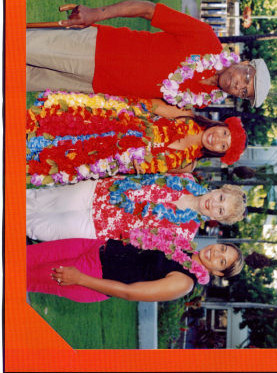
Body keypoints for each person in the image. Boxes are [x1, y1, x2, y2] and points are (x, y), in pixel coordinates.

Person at [26, 0, 271, 108]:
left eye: (243, 92)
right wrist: (96, 13)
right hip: (95, 49)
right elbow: (147, 10)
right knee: (21, 45)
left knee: (20, 79)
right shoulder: (206, 39)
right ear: (245, 63)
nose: (239, 85)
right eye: (246, 79)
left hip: (93, 85)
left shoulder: (202, 98)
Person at [26, 91, 247, 186]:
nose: (217, 139)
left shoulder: (187, 166)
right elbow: (144, 105)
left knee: (52, 161)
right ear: (221, 125)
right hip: (109, 126)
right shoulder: (186, 115)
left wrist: (134, 166)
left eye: (223, 146)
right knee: (52, 127)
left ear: (219, 153)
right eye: (224, 133)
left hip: (104, 160)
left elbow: (144, 176)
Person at [26, 173, 247, 241]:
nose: (214, 203)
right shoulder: (185, 178)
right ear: (219, 189)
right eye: (220, 197)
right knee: (38, 200)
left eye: (220, 210)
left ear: (218, 219)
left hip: (98, 228)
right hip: (99, 193)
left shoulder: (185, 233)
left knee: (39, 227)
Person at [27, 238, 244, 302]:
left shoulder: (184, 283)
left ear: (217, 273)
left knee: (20, 277)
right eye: (222, 249)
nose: (216, 254)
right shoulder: (184, 248)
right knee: (23, 255)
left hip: (92, 275)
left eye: (222, 261)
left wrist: (81, 279)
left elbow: (128, 293)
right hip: (94, 247)